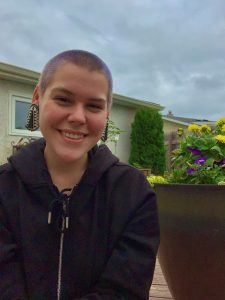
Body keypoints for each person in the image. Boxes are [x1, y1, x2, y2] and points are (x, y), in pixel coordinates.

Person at [0, 50, 160, 300]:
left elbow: (124, 292)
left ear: (106, 113)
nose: (77, 117)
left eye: (94, 106)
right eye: (63, 99)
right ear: (38, 97)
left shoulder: (133, 193)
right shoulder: (4, 187)